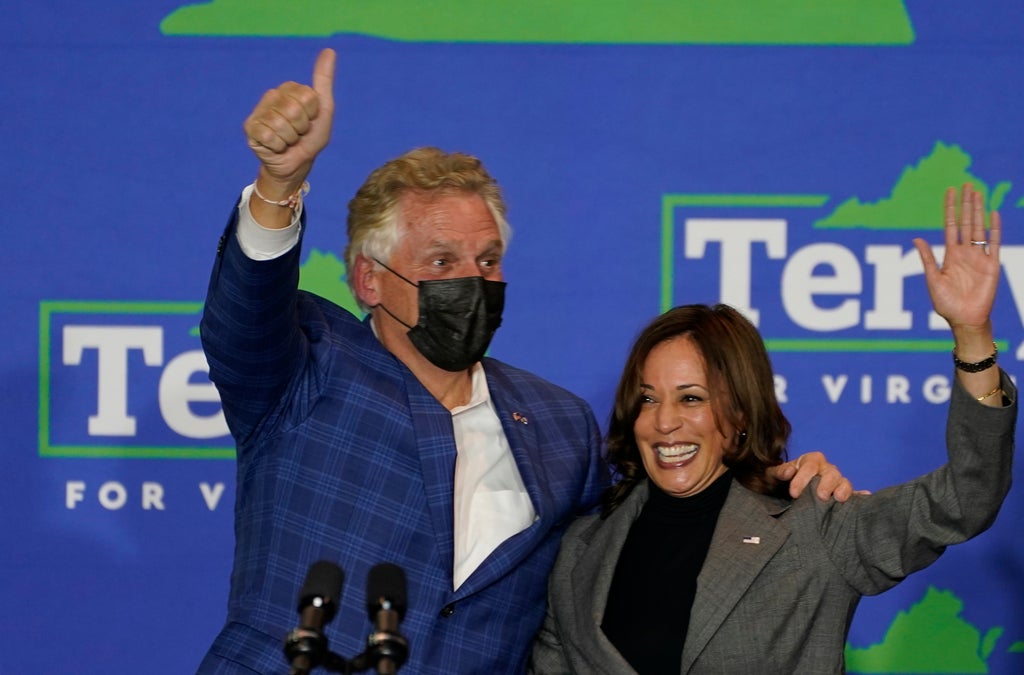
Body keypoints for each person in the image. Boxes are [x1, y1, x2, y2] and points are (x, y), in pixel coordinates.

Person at [198, 48, 852, 674]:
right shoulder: (307, 363)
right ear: (370, 280)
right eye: (442, 262)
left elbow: (660, 515)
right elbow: (243, 311)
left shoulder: (559, 423)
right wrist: (278, 185)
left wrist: (773, 487)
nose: (472, 281)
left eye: (487, 261)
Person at [530, 184, 1016, 674]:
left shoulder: (815, 527)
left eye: (691, 398)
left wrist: (972, 335)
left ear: (740, 415)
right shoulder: (581, 550)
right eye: (648, 399)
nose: (664, 422)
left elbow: (966, 497)